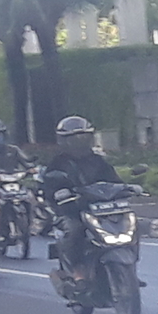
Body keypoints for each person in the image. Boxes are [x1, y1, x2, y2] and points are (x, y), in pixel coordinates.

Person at [42, 115, 122, 286]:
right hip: (72, 211)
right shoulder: (58, 163)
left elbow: (114, 180)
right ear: (64, 141)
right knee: (75, 230)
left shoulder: (98, 160)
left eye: (83, 138)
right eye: (74, 139)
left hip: (100, 209)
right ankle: (77, 270)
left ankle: (125, 268)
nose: (79, 143)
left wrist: (127, 188)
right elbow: (49, 186)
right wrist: (61, 194)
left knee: (126, 223)